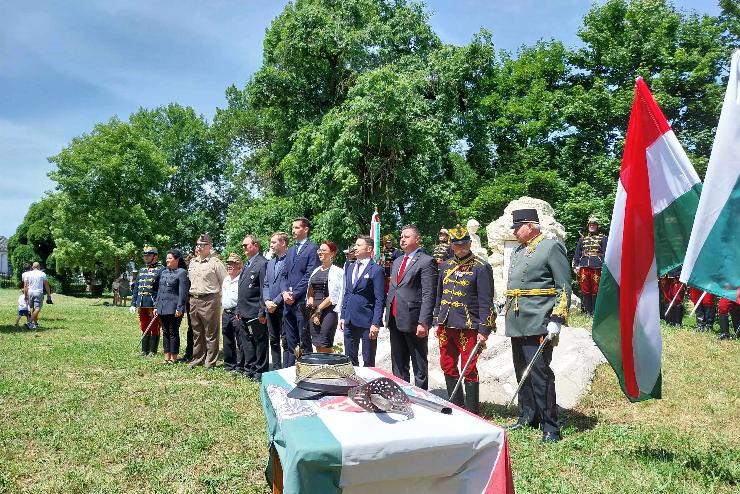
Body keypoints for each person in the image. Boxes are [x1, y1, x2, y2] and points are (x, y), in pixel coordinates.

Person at [504, 209, 571, 443]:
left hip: (539, 319)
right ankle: (527, 416)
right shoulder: (519, 251)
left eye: (517, 227)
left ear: (530, 225)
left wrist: (558, 317)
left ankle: (550, 426)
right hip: (517, 319)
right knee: (522, 370)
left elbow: (563, 285)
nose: (514, 231)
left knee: (540, 373)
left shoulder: (550, 246)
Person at [434, 225, 494, 414]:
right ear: (452, 245)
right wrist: (436, 317)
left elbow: (486, 300)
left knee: (469, 368)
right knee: (447, 364)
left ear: (470, 243)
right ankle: (456, 406)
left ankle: (472, 411)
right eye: (457, 244)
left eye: (465, 243)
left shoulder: (481, 267)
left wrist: (484, 330)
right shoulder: (445, 266)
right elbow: (439, 295)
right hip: (446, 323)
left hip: (469, 325)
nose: (462, 247)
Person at [385, 225, 438, 390]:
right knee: (398, 362)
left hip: (414, 320)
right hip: (395, 317)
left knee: (418, 362)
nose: (402, 239)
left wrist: (424, 321)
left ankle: (421, 395)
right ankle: (400, 393)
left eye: (406, 236)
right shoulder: (397, 261)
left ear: (417, 239)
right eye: (401, 236)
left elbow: (428, 294)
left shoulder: (426, 261)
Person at [340, 235, 386, 367]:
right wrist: (343, 316)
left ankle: (368, 387)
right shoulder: (350, 267)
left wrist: (376, 323)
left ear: (369, 249)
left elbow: (379, 299)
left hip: (367, 322)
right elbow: (347, 293)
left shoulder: (376, 270)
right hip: (349, 320)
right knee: (349, 359)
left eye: (359, 245)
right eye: (355, 245)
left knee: (368, 360)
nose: (355, 247)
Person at [281, 217, 320, 365]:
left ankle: (307, 372)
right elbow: (284, 274)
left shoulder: (312, 249)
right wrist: (284, 292)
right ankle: (292, 371)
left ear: (306, 229)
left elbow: (309, 276)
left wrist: (294, 294)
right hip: (288, 303)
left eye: (297, 228)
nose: (293, 230)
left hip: (301, 302)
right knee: (291, 340)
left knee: (304, 340)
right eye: (293, 227)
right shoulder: (290, 251)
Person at [188, 233, 228, 369]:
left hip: (210, 299)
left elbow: (226, 282)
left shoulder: (215, 263)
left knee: (211, 332)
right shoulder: (193, 262)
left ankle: (210, 361)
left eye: (202, 245)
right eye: (197, 244)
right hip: (194, 299)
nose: (198, 247)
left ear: (209, 246)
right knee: (197, 332)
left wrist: (222, 300)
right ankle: (197, 358)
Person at [237, 235, 268, 379]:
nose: (243, 248)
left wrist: (262, 311)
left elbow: (263, 289)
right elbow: (241, 289)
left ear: (255, 245)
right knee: (247, 342)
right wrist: (238, 309)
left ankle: (260, 370)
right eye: (242, 245)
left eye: (246, 245)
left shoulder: (262, 263)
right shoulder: (247, 264)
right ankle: (249, 368)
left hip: (255, 310)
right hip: (243, 310)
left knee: (259, 341)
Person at [306, 241, 344, 353]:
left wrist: (318, 311)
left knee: (325, 344)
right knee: (317, 345)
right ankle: (322, 368)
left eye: (324, 250)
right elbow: (310, 292)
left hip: (328, 311)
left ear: (332, 253)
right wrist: (313, 310)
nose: (320, 253)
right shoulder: (315, 271)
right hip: (314, 311)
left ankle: (330, 368)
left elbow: (333, 296)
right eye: (319, 250)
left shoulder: (337, 272)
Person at [154, 250, 189, 363]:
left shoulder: (182, 272)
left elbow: (183, 292)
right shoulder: (163, 272)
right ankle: (166, 357)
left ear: (177, 259)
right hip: (162, 307)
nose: (167, 260)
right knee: (165, 332)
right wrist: (156, 306)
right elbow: (159, 291)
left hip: (174, 308)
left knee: (173, 332)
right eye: (167, 258)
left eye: (170, 258)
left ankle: (173, 358)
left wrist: (180, 308)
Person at [130, 246, 164, 356]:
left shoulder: (161, 269)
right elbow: (136, 288)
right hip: (142, 303)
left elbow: (161, 290)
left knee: (154, 327)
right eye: (145, 255)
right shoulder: (142, 270)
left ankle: (152, 350)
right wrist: (133, 303)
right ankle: (144, 350)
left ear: (155, 256)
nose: (145, 257)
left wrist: (158, 305)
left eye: (148, 255)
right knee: (144, 326)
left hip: (153, 304)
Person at [263, 232, 289, 369]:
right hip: (270, 307)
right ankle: (276, 369)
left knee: (285, 341)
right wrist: (267, 300)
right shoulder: (271, 262)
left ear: (283, 243)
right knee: (273, 340)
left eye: (274, 242)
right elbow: (266, 284)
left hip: (284, 307)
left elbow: (289, 283)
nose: (271, 245)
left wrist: (276, 302)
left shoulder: (291, 260)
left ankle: (286, 370)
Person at [572, 216, 607, 316]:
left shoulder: (603, 238)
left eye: (594, 224)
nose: (592, 226)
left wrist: (605, 266)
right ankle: (588, 311)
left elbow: (605, 253)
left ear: (597, 226)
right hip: (584, 266)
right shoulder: (583, 239)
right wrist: (575, 266)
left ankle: (595, 311)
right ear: (588, 226)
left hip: (597, 265)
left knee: (596, 289)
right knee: (585, 288)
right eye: (590, 225)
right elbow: (577, 253)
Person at [221, 253, 243, 373]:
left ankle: (241, 364)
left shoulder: (241, 279)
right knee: (227, 338)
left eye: (233, 264)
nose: (229, 266)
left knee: (240, 339)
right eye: (228, 264)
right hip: (226, 312)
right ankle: (229, 364)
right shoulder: (226, 279)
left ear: (239, 266)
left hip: (237, 312)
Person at [23, 262, 52, 330]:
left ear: (32, 267)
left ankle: (35, 324)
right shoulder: (42, 274)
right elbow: (46, 285)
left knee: (34, 308)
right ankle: (29, 322)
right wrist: (49, 294)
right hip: (38, 292)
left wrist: (25, 295)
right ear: (39, 267)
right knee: (37, 308)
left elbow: (25, 285)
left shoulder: (28, 274)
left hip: (30, 292)